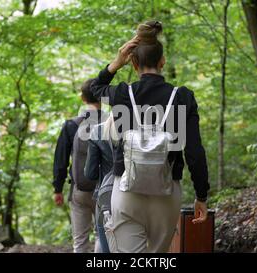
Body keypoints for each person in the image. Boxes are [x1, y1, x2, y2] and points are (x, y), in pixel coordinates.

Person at [90, 21, 210, 253]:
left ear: (133, 63)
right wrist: (201, 195)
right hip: (166, 192)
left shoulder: (123, 93)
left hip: (126, 191)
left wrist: (115, 63)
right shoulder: (183, 97)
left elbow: (95, 88)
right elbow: (195, 152)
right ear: (162, 61)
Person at [52, 79, 105, 253]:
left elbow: (61, 160)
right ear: (102, 98)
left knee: (80, 240)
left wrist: (57, 189)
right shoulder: (112, 123)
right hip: (105, 189)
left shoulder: (71, 125)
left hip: (79, 189)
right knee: (102, 235)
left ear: (83, 98)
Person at [84, 114, 117, 253]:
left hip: (108, 196)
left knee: (103, 239)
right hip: (142, 193)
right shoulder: (146, 129)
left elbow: (90, 174)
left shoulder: (98, 131)